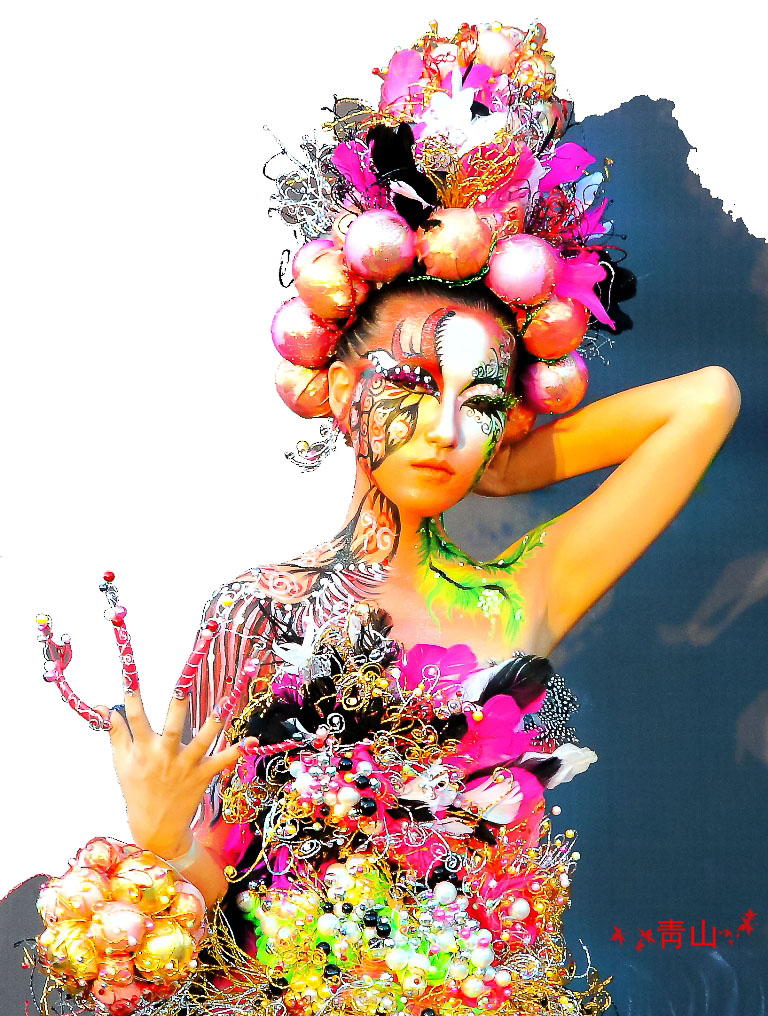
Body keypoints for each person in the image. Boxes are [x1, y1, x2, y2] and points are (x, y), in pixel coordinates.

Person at [29, 18, 741, 1016]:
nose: (445, 430)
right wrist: (157, 839)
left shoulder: (520, 591)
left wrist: (504, 465)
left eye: (480, 402)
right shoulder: (261, 609)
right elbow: (198, 910)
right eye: (412, 385)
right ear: (338, 384)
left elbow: (706, 400)